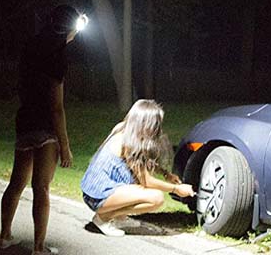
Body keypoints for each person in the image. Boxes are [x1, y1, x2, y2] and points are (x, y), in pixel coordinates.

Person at [0, 5, 80, 255]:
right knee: (41, 187)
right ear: (70, 27)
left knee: (17, 183)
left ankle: (4, 236)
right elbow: (56, 107)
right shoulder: (58, 57)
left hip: (25, 119)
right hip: (45, 127)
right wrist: (64, 145)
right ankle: (39, 248)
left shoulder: (31, 47)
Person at [80, 99, 195, 236]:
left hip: (93, 191)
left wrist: (165, 174)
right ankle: (104, 218)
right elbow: (147, 181)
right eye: (156, 123)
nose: (158, 128)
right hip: (99, 196)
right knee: (156, 198)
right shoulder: (129, 143)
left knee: (138, 184)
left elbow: (139, 164)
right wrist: (177, 189)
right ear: (147, 123)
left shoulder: (123, 129)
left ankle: (119, 218)